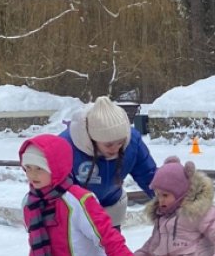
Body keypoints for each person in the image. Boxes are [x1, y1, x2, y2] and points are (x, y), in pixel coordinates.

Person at [61, 96, 157, 229]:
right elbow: (52, 183)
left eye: (120, 142)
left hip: (111, 208)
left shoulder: (132, 143)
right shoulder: (66, 146)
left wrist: (171, 201)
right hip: (75, 212)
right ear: (93, 139)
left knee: (111, 248)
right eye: (109, 144)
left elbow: (149, 175)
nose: (116, 148)